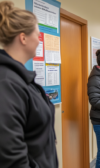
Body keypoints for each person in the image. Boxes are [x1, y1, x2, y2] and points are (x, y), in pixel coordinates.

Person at [0, 1, 58, 168]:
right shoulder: (6, 83)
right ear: (23, 38)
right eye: (38, 35)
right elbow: (10, 154)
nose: (40, 41)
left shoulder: (21, 79)